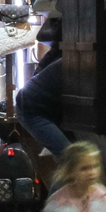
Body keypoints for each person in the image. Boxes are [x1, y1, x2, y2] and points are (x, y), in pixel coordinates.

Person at [15, 20, 69, 158]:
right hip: (31, 108)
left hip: (39, 105)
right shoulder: (68, 58)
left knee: (72, 157)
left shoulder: (58, 54)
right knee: (72, 158)